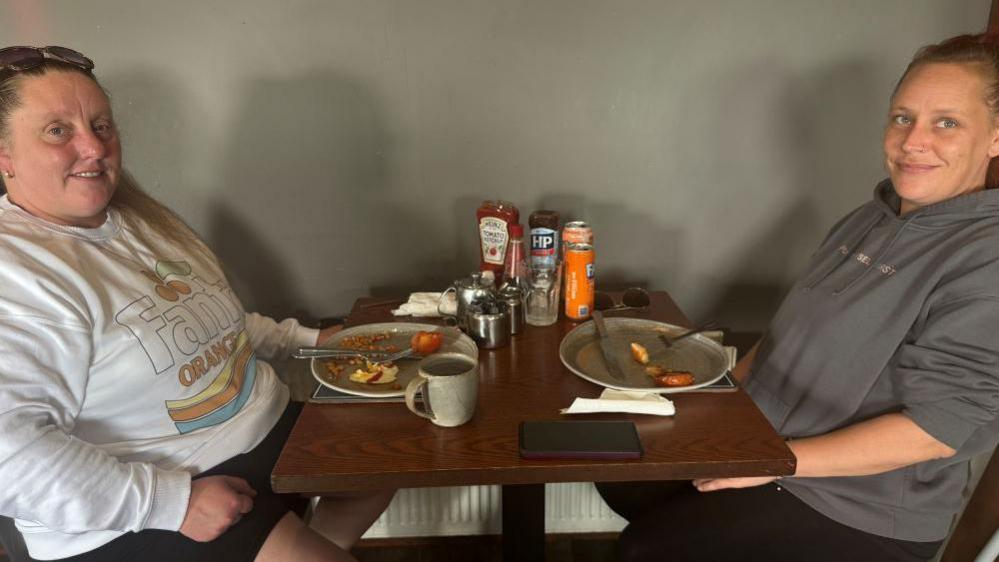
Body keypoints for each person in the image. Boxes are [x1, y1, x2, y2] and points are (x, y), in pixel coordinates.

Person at [597, 33, 999, 562]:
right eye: (903, 117)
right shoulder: (870, 218)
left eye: (947, 122)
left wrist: (775, 463)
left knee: (647, 551)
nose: (913, 141)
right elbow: (786, 338)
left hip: (857, 506)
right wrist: (720, 400)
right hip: (766, 440)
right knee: (620, 469)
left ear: (995, 138)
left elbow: (934, 433)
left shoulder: (984, 256)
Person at [0, 46, 394, 561]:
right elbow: (13, 458)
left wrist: (314, 341)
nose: (93, 147)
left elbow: (210, 325)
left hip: (258, 429)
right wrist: (174, 503)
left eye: (101, 125)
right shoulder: (18, 272)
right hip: (146, 500)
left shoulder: (134, 220)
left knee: (391, 453)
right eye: (58, 131)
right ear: (4, 157)